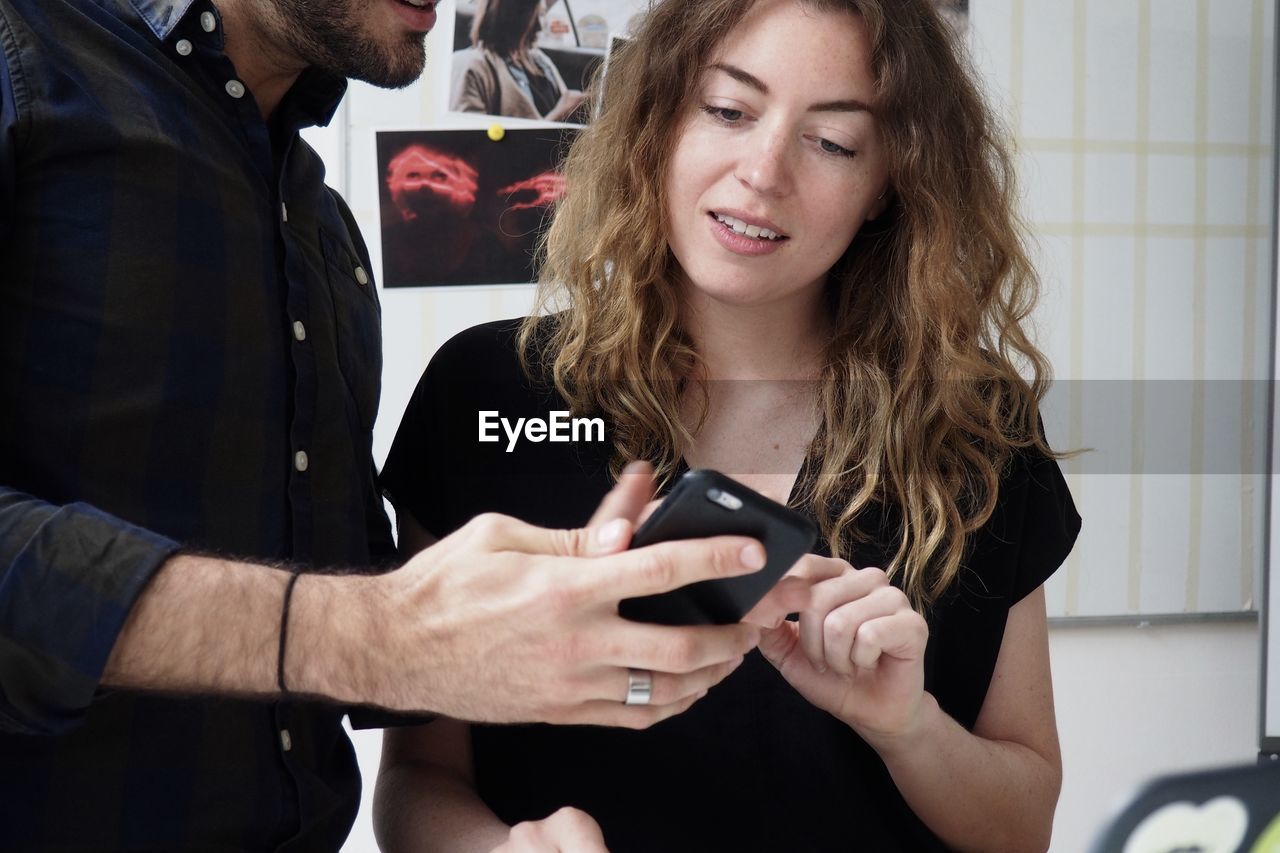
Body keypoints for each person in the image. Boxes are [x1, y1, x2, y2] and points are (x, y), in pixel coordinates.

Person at [0, 0, 785, 848]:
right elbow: (365, 633)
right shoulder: (23, 65)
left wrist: (584, 594)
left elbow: (352, 607)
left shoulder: (323, 229)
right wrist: (376, 635)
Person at [374, 0, 1082, 850]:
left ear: (889, 183)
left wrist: (910, 728)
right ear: (659, 122)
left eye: (833, 142)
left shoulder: (975, 426)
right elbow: (420, 777)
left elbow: (1024, 824)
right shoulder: (485, 394)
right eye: (728, 110)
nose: (764, 171)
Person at [451, 0, 586, 122]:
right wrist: (559, 115)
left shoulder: (540, 60)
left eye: (542, 14)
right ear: (508, 17)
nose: (539, 26)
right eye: (532, 16)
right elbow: (471, 142)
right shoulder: (470, 66)